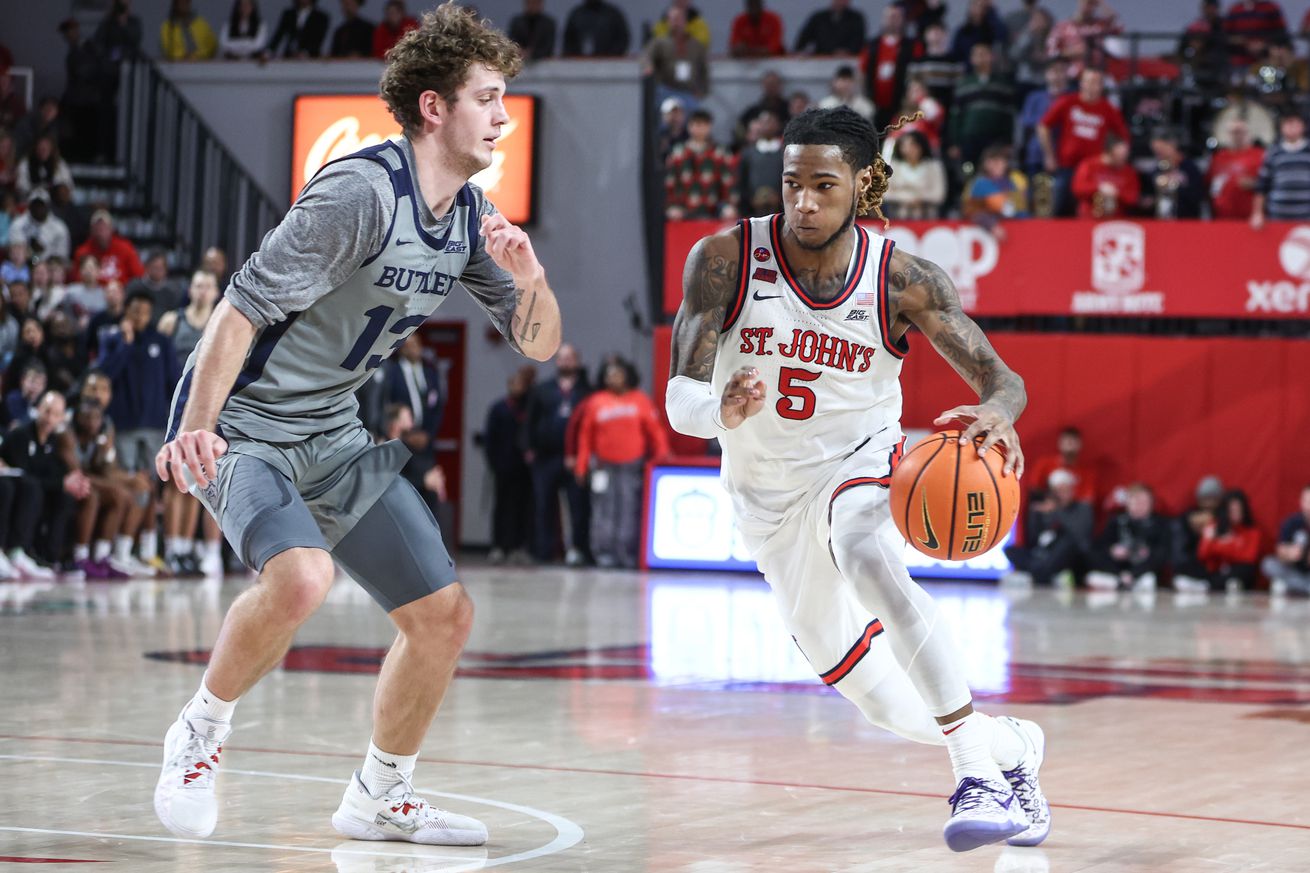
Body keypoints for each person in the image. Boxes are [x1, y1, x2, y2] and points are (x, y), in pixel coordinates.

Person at [151, 3, 560, 845]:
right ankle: (200, 728)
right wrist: (195, 426)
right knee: (301, 578)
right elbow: (238, 309)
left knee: (443, 616)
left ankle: (381, 794)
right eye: (488, 97)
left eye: (506, 99)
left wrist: (532, 277)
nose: (503, 116)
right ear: (435, 108)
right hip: (246, 422)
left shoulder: (468, 220)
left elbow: (541, 345)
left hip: (333, 431)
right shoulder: (359, 193)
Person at [665, 106, 1048, 852]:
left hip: (862, 462)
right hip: (767, 502)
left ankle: (974, 770)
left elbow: (1004, 379)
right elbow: (679, 395)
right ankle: (1012, 746)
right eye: (791, 184)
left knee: (864, 546)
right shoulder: (724, 258)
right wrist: (720, 406)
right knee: (880, 702)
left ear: (863, 183)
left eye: (822, 185)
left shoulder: (902, 278)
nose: (803, 202)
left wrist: (1000, 412)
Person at [573, 358, 668, 568]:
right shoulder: (596, 402)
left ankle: (627, 554)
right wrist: (581, 466)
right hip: (603, 467)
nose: (613, 378)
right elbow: (585, 437)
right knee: (603, 511)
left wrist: (662, 455)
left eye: (617, 374)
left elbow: (655, 431)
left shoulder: (639, 400)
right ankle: (604, 554)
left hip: (631, 466)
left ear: (627, 375)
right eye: (609, 374)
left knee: (629, 509)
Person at [158, 271, 223, 576]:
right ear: (191, 290)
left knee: (203, 477)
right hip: (177, 405)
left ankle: (200, 551)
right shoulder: (172, 321)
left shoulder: (225, 320)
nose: (202, 290)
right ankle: (175, 548)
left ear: (216, 291)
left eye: (207, 285)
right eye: (197, 284)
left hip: (212, 408)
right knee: (176, 478)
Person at [0, 391, 86, 577]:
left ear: (62, 418)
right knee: (27, 488)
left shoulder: (55, 441)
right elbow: (21, 474)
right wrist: (59, 482)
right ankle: (12, 550)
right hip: (14, 489)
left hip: (34, 491)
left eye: (56, 414)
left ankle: (50, 558)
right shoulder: (21, 435)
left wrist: (67, 482)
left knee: (65, 497)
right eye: (47, 411)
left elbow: (55, 474)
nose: (49, 418)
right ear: (37, 409)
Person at [525, 343, 590, 565]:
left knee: (577, 506)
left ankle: (578, 550)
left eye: (570, 358)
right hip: (546, 457)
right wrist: (528, 448)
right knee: (543, 505)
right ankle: (544, 551)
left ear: (577, 361)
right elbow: (529, 421)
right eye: (562, 358)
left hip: (575, 458)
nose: (566, 362)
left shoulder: (586, 391)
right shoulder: (543, 389)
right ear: (556, 361)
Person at [1039, 69, 1129, 216]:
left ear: (1101, 86)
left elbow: (1123, 137)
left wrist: (1113, 158)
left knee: (1089, 211)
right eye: (1088, 81)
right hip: (1067, 166)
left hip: (1093, 170)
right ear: (1082, 83)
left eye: (1096, 82)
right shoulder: (1068, 101)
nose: (1092, 86)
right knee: (1059, 208)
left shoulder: (1107, 108)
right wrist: (1049, 155)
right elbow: (1043, 126)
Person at [1002, 468, 1092, 587]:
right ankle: (1041, 573)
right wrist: (1035, 515)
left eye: (1065, 490)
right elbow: (1034, 539)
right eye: (1058, 491)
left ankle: (1035, 574)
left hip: (1071, 555)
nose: (1062, 495)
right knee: (1011, 550)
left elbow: (1079, 535)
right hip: (1044, 555)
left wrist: (1056, 512)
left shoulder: (1082, 508)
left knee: (1067, 543)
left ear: (1072, 490)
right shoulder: (1047, 509)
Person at [483, 366, 535, 564]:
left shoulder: (529, 407)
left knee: (523, 508)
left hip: (523, 468)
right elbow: (490, 438)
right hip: (503, 466)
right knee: (501, 507)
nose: (516, 387)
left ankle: (518, 546)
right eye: (513, 384)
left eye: (520, 384)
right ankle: (499, 546)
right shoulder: (499, 408)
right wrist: (494, 463)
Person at [1086, 484, 1170, 591]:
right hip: (1117, 570)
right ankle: (1119, 581)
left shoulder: (1159, 525)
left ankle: (1124, 582)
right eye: (1136, 501)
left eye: (1144, 502)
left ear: (1151, 504)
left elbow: (1162, 554)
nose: (1140, 505)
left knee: (1148, 579)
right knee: (1090, 557)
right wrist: (1112, 550)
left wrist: (1134, 572)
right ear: (1128, 503)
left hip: (1143, 571)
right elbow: (1099, 547)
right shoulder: (1117, 522)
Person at [946, 43, 1017, 168]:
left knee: (994, 172)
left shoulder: (1003, 84)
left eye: (984, 54)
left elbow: (1008, 115)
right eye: (977, 55)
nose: (980, 58)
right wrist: (954, 143)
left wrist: (1008, 142)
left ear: (991, 57)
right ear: (971, 59)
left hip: (995, 140)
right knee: (968, 172)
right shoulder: (963, 84)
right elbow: (956, 115)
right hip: (969, 139)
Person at [664, 109, 738, 221]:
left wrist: (729, 205)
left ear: (709, 126)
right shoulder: (678, 153)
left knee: (729, 213)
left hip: (714, 209)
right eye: (695, 124)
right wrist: (671, 206)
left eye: (703, 124)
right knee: (674, 214)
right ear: (688, 126)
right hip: (684, 209)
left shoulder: (720, 152)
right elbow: (670, 182)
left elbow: (728, 182)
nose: (698, 128)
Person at [861, 5, 923, 133]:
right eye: (889, 16)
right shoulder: (872, 45)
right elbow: (862, 72)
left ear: (903, 20)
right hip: (874, 105)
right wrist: (864, 97)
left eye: (896, 16)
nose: (892, 20)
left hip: (902, 105)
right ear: (883, 19)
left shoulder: (912, 46)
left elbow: (919, 76)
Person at [1251, 110, 1310, 228]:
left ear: (1303, 127)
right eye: (1288, 123)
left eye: (1296, 123)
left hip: (1306, 218)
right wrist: (1257, 213)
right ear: (1281, 127)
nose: (1292, 127)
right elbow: (1262, 187)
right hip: (1278, 217)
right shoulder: (1273, 153)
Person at [1196, 489, 1262, 591]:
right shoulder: (1214, 526)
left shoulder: (1252, 532)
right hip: (1217, 569)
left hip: (1237, 571)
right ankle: (1211, 583)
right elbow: (1202, 554)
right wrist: (1230, 545)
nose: (1235, 514)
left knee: (1246, 569)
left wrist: (1222, 545)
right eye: (1232, 510)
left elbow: (1248, 557)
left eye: (1238, 510)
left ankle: (1210, 585)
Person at [642, 6, 709, 103]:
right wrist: (648, 66)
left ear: (685, 21)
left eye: (679, 19)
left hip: (689, 92)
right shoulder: (660, 42)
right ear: (668, 22)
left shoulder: (696, 45)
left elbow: (704, 69)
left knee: (692, 116)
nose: (676, 23)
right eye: (673, 19)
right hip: (666, 91)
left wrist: (703, 91)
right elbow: (646, 55)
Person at [962, 145, 1030, 240]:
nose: (996, 165)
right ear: (985, 164)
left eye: (1000, 161)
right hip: (992, 229)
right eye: (992, 161)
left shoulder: (1014, 181)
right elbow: (972, 211)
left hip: (1019, 229)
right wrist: (992, 225)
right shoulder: (981, 183)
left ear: (1006, 163)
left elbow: (1020, 209)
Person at [1172, 475, 1225, 592]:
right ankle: (1200, 583)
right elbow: (1181, 550)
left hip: (1214, 562)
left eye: (1213, 499)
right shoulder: (1188, 517)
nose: (1209, 503)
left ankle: (1206, 584)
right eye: (1206, 498)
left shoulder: (1223, 518)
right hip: (1194, 561)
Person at [1046, 0, 1122, 79]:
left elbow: (1116, 23)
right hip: (1071, 77)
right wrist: (1069, 52)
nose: (1087, 6)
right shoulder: (1063, 27)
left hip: (1096, 76)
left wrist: (1100, 2)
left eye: (1091, 3)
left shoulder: (1099, 26)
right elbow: (1051, 52)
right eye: (1085, 2)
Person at [1018, 63, 1067, 176]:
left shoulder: (1072, 97)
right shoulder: (1034, 97)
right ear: (1046, 74)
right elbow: (1027, 124)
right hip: (1036, 153)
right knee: (1037, 191)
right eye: (1053, 72)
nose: (1057, 76)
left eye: (1061, 71)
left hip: (1064, 155)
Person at [884, 130, 946, 220]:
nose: (909, 149)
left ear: (921, 146)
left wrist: (920, 199)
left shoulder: (934, 167)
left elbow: (939, 194)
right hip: (898, 216)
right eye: (905, 145)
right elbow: (886, 194)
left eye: (913, 145)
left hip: (927, 216)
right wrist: (907, 198)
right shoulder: (894, 167)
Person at [73, 211, 145, 288]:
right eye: (97, 228)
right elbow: (77, 279)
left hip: (120, 293)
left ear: (111, 229)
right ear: (91, 230)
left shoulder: (125, 247)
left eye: (104, 227)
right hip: (92, 293)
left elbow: (138, 275)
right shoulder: (82, 252)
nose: (100, 231)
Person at [1261, 484, 1310, 596]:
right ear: (1301, 502)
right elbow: (1280, 550)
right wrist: (1288, 553)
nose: (1309, 507)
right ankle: (1301, 586)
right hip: (1294, 569)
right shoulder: (1291, 522)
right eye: (1306, 501)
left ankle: (1294, 586)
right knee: (1268, 564)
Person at [1145, 128, 1205, 219]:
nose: (1159, 156)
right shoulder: (1156, 171)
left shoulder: (1190, 168)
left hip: (1187, 222)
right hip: (1162, 222)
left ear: (1172, 144)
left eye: (1161, 151)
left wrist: (1175, 188)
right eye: (1156, 153)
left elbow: (1198, 197)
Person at [737, 111, 784, 217]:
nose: (767, 126)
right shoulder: (748, 154)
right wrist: (751, 198)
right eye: (764, 122)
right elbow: (742, 181)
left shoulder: (784, 153)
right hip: (752, 209)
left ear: (777, 125)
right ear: (759, 125)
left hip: (780, 208)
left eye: (771, 122)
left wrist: (779, 198)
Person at [8, 189, 71, 262]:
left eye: (41, 205)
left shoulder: (59, 228)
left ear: (48, 206)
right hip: (24, 266)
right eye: (35, 205)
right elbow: (15, 254)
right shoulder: (18, 224)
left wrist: (44, 251)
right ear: (29, 206)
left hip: (49, 268)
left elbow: (62, 257)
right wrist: (31, 251)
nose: (38, 208)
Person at [1225, 0, 1287, 67]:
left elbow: (1281, 34)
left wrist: (1264, 44)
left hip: (1266, 59)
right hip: (1240, 61)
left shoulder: (1271, 8)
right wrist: (1240, 41)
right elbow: (1225, 36)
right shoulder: (1235, 10)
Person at [794, 0, 866, 56]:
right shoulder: (819, 18)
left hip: (847, 59)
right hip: (821, 58)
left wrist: (849, 51)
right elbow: (805, 36)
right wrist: (800, 51)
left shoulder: (856, 18)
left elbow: (858, 39)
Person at [128, 250, 187, 317]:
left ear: (166, 270)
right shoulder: (135, 286)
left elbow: (174, 315)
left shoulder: (172, 291)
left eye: (160, 268)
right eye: (155, 267)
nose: (157, 271)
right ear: (147, 267)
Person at [562, 0, 630, 58]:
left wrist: (610, 56)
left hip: (609, 64)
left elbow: (622, 39)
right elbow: (568, 41)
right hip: (578, 63)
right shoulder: (576, 14)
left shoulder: (613, 14)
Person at [15, 134, 74, 200]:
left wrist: (54, 190)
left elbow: (67, 185)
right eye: (40, 148)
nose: (43, 151)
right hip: (30, 199)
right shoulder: (25, 163)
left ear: (51, 149)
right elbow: (20, 186)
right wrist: (37, 189)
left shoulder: (59, 164)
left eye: (45, 148)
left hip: (53, 200)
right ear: (35, 148)